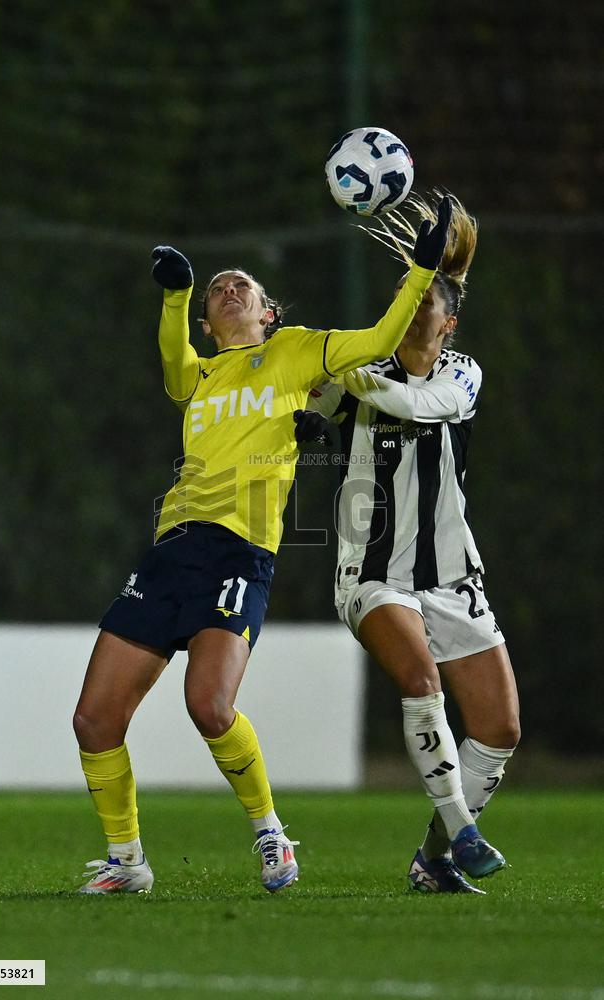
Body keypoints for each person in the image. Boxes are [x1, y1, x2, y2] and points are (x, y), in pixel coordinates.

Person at [72, 197, 453, 894]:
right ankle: (128, 862)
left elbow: (374, 341)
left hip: (239, 550)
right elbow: (171, 365)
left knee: (209, 706)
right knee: (93, 720)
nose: (229, 287)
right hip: (172, 550)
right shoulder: (200, 375)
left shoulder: (297, 348)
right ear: (209, 323)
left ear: (267, 312)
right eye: (217, 289)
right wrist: (175, 295)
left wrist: (420, 270)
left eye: (240, 283)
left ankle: (271, 834)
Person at [296, 193, 520, 894]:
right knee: (420, 679)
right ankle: (464, 832)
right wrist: (307, 412)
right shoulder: (357, 371)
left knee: (500, 729)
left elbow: (421, 406)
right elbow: (300, 402)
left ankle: (434, 859)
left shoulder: (461, 375)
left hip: (453, 573)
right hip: (372, 572)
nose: (414, 303)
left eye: (427, 298)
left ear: (450, 321)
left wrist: (341, 383)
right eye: (405, 292)